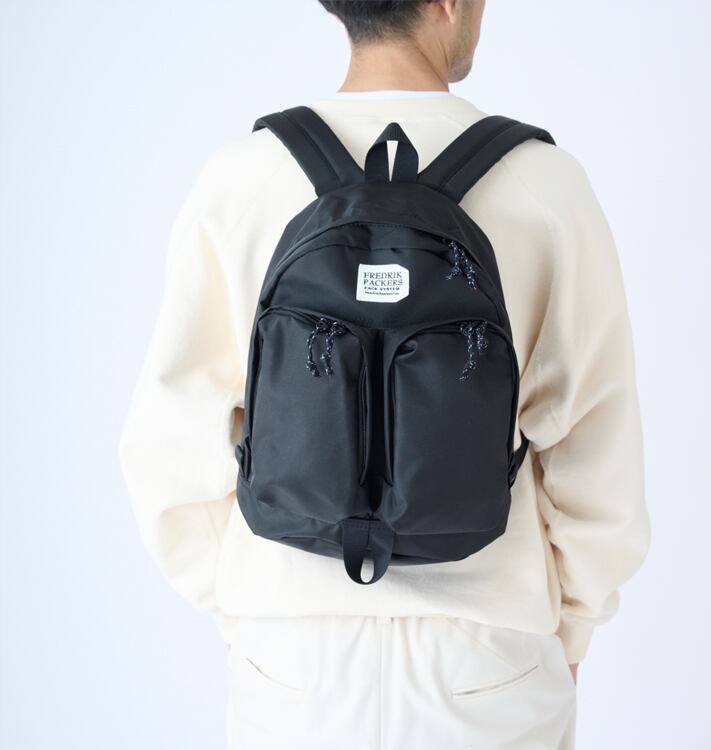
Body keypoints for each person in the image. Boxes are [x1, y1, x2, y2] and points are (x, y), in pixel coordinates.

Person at [118, 1, 650, 748]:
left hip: (291, 666)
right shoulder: (545, 184)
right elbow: (598, 453)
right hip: (488, 665)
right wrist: (571, 629)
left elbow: (167, 449)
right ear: (447, 5)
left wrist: (249, 606)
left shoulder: (240, 179)